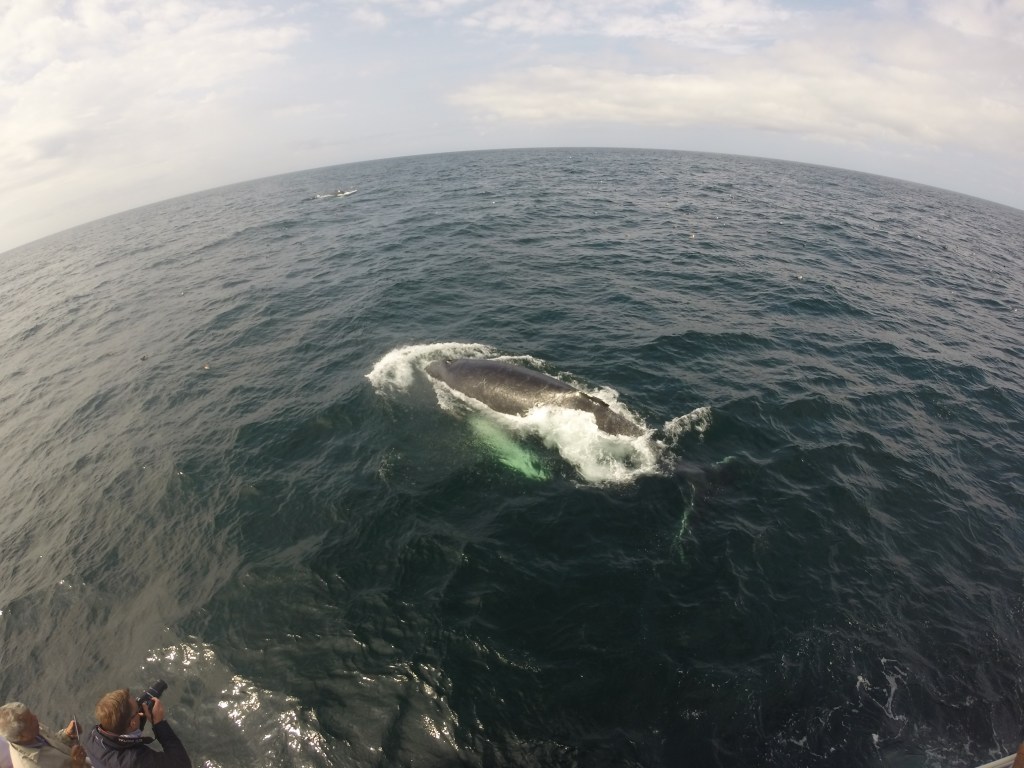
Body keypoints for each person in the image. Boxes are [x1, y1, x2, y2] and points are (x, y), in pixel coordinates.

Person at [82, 689, 190, 768]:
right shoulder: (135, 760)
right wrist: (159, 723)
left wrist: (137, 718)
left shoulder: (91, 736)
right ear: (133, 723)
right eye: (137, 710)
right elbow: (182, 764)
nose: (140, 709)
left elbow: (124, 732)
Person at [0, 702, 85, 768]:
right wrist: (77, 766)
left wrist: (67, 734)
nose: (36, 718)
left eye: (32, 715)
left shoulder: (33, 728)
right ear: (22, 736)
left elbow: (54, 740)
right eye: (31, 721)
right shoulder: (29, 765)